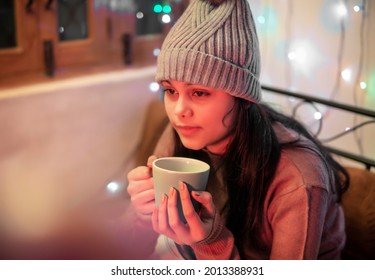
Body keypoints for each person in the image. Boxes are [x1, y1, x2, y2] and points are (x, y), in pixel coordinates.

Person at [126, 0, 349, 260]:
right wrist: (142, 215)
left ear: (241, 97)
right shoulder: (180, 134)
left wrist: (211, 241)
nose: (179, 111)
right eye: (171, 91)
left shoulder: (298, 177)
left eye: (199, 92)